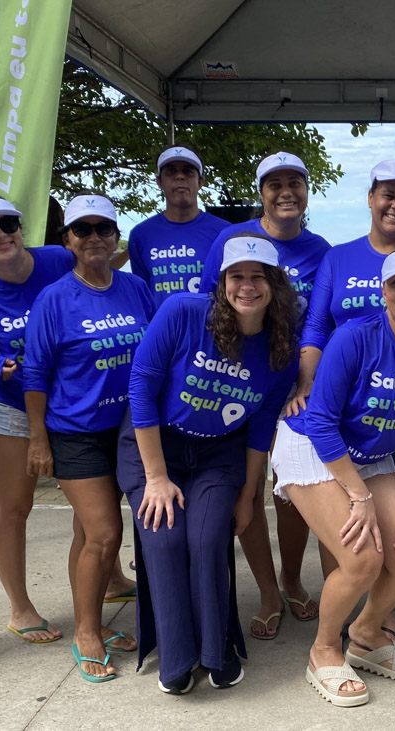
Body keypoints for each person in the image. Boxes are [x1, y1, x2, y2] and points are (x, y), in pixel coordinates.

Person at [272, 248, 395, 708]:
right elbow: (319, 421)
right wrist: (358, 496)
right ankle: (324, 649)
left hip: (370, 456)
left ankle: (365, 632)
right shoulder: (355, 337)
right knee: (362, 561)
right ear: (383, 292)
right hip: (313, 448)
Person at [118, 235, 299, 694]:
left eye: (259, 276)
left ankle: (216, 651)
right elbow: (141, 386)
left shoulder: (282, 349)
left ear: (276, 284)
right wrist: (156, 478)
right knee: (163, 539)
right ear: (221, 282)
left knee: (205, 538)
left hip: (219, 454)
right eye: (236, 276)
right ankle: (176, 660)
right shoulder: (183, 312)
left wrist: (248, 496)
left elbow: (260, 429)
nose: (247, 286)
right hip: (154, 447)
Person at [293, 158, 395, 648]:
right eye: (388, 193)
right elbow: (318, 326)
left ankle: (368, 622)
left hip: (389, 424)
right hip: (331, 421)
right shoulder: (341, 261)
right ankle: (331, 638)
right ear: (370, 197)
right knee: (355, 548)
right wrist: (306, 382)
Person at [22, 193, 157, 682]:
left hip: (129, 430)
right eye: (84, 230)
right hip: (76, 433)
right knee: (105, 533)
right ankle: (86, 633)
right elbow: (35, 374)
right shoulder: (55, 298)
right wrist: (38, 438)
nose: (96, 237)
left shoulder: (136, 288)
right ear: (68, 241)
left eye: (105, 228)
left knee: (87, 533)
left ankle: (93, 621)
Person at [198, 151, 332, 638]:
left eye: (294, 182)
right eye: (274, 184)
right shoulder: (230, 240)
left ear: (307, 190)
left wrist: (307, 383)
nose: (286, 192)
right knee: (248, 489)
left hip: (296, 387)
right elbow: (212, 308)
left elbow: (322, 324)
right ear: (261, 192)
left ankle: (293, 579)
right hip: (240, 383)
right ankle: (269, 591)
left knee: (293, 492)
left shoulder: (322, 250)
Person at [0, 196, 76, 644]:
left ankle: (112, 579)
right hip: (11, 408)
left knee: (90, 502)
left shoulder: (59, 260)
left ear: (22, 228)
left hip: (69, 401)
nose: (1, 234)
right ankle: (20, 608)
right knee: (14, 507)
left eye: (8, 223)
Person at [127, 146, 231, 305]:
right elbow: (143, 297)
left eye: (188, 171)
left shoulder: (226, 232)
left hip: (213, 328)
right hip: (163, 329)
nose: (180, 176)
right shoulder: (140, 235)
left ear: (201, 182)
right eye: (171, 171)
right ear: (159, 182)